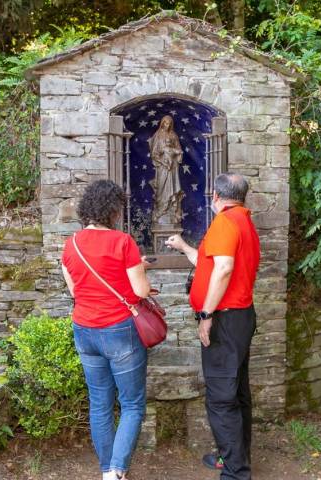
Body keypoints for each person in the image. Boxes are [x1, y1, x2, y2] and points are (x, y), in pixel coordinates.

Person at [165, 173, 260, 480]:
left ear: (216, 197)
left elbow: (223, 268)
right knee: (237, 392)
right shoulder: (243, 221)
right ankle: (234, 456)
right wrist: (183, 247)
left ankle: (235, 472)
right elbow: (211, 264)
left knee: (221, 398)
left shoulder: (224, 222)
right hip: (241, 317)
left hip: (225, 319)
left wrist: (206, 316)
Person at [61, 180, 152, 480]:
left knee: (99, 403)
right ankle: (117, 470)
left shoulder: (70, 244)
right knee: (132, 404)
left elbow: (76, 290)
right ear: (113, 211)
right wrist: (140, 270)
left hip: (84, 329)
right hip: (118, 330)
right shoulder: (123, 242)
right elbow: (139, 290)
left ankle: (107, 472)